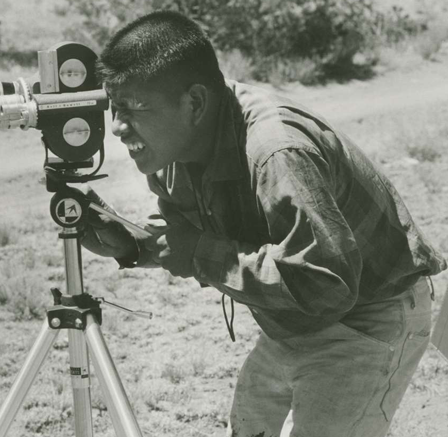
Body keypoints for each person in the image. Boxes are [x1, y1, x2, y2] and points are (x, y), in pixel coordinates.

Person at [80, 10, 447, 437]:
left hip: (367, 318)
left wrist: (199, 254)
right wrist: (131, 244)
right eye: (114, 107)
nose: (118, 128)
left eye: (133, 107)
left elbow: (326, 283)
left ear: (195, 102)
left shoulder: (277, 152)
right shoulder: (170, 147)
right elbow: (190, 238)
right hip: (292, 319)